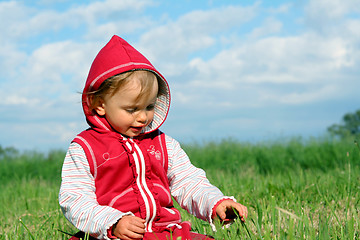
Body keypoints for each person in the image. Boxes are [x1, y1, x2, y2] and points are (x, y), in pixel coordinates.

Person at [59, 35, 248, 240]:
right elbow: (75, 199)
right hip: (112, 235)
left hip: (165, 233)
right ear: (99, 104)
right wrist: (112, 222)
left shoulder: (163, 144)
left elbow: (188, 182)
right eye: (132, 109)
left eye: (149, 107)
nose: (143, 117)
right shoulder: (85, 148)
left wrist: (215, 202)